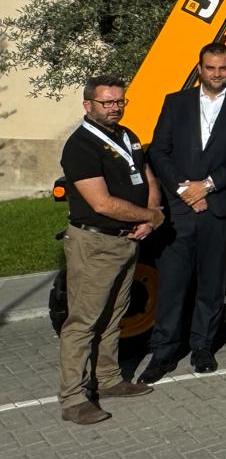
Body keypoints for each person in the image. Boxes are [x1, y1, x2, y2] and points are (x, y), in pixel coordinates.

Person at [142, 45, 226, 383]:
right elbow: (160, 151)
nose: (216, 74)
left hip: (220, 208)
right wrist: (185, 191)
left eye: (223, 68)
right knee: (173, 283)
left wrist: (207, 186)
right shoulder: (175, 102)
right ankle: (163, 352)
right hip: (180, 209)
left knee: (211, 282)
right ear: (199, 68)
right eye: (210, 67)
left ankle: (202, 347)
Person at [58, 76, 164, 424]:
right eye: (107, 102)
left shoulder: (127, 135)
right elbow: (101, 203)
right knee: (83, 322)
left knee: (114, 316)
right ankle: (74, 398)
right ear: (88, 105)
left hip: (127, 239)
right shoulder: (80, 147)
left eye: (119, 101)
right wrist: (150, 215)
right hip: (95, 243)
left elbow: (146, 175)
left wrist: (152, 216)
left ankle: (108, 380)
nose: (115, 107)